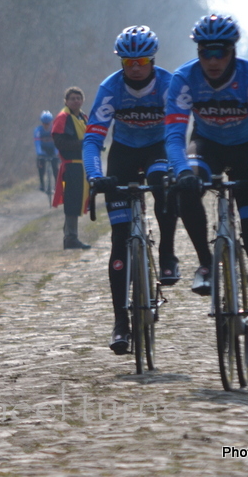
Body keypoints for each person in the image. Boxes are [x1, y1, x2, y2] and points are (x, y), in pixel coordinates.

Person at [165, 14, 248, 368]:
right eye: (205, 52)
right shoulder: (185, 78)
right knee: (186, 187)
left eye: (220, 51)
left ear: (232, 51)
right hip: (207, 147)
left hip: (247, 152)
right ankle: (205, 262)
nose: (212, 60)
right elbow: (173, 134)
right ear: (198, 52)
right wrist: (182, 171)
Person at [83, 25, 180, 355]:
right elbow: (94, 138)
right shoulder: (110, 89)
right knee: (119, 241)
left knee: (162, 185)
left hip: (157, 149)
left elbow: (179, 131)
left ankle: (167, 253)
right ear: (121, 63)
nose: (135, 68)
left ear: (152, 60)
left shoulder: (167, 84)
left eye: (141, 61)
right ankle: (120, 322)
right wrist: (96, 176)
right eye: (128, 62)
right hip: (123, 155)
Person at [52, 87, 91, 250]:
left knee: (76, 201)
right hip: (71, 165)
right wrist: (83, 144)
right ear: (66, 101)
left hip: (82, 166)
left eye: (78, 98)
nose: (76, 101)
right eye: (72, 98)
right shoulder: (63, 118)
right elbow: (60, 143)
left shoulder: (83, 117)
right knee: (72, 202)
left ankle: (70, 236)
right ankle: (70, 238)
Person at [34, 110, 59, 193]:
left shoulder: (55, 129)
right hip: (43, 150)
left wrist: (56, 152)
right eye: (44, 123)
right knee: (41, 166)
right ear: (42, 122)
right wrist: (39, 153)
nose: (46, 125)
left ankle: (57, 184)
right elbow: (37, 143)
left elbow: (57, 142)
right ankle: (42, 184)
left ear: (51, 122)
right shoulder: (38, 130)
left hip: (53, 149)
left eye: (48, 123)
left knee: (55, 167)